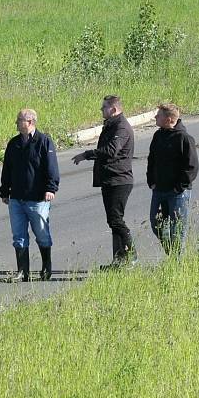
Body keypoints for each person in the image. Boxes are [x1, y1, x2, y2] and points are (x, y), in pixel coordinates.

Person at [72, 95, 136, 269]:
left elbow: (111, 150)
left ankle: (131, 253)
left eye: (104, 108)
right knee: (113, 221)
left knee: (116, 220)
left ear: (113, 109)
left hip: (119, 179)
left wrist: (86, 154)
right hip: (109, 179)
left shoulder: (121, 126)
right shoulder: (111, 125)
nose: (101, 111)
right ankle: (119, 260)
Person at [0, 109, 60, 282]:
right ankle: (22, 272)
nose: (16, 123)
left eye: (19, 120)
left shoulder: (44, 141)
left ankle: (46, 268)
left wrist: (51, 188)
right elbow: (7, 169)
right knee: (18, 236)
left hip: (38, 199)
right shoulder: (14, 144)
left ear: (30, 122)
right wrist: (5, 191)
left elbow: (52, 168)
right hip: (17, 199)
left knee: (42, 234)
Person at [147, 103, 199, 255]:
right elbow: (152, 160)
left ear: (169, 119)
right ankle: (172, 254)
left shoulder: (184, 138)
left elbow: (192, 167)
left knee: (177, 229)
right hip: (159, 190)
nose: (155, 117)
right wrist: (152, 181)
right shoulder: (158, 135)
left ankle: (177, 262)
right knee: (156, 224)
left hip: (178, 193)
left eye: (159, 115)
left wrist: (179, 187)